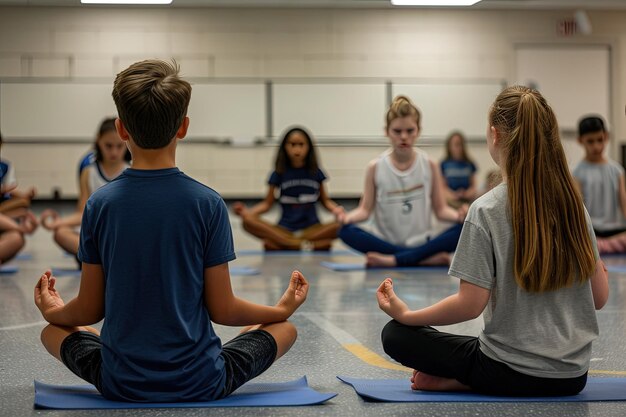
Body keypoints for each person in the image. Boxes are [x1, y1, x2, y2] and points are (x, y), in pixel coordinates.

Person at [34, 59, 309, 403]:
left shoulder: (99, 204)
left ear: (121, 130)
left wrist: (53, 310)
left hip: (121, 381)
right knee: (284, 329)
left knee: (54, 332)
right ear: (183, 127)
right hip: (201, 381)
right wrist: (279, 311)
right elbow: (223, 310)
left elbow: (89, 309)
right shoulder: (208, 203)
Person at [376, 86, 608, 397]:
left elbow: (469, 305)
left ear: (495, 135)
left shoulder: (486, 209)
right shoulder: (573, 205)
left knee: (396, 335)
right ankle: (463, 378)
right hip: (572, 377)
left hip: (505, 370)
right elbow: (599, 297)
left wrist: (407, 315)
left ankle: (462, 379)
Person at [337, 95, 466, 267]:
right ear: (386, 131)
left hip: (421, 242)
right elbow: (364, 210)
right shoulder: (375, 167)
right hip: (385, 243)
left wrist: (460, 216)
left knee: (464, 228)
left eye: (410, 131)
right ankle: (421, 258)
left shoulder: (430, 165)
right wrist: (346, 217)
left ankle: (394, 260)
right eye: (397, 131)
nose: (403, 137)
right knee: (345, 231)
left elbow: (441, 209)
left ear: (418, 130)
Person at [233, 126, 344, 251]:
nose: (297, 149)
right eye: (292, 144)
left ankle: (285, 245)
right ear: (285, 147)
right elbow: (267, 204)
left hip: (313, 229)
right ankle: (305, 245)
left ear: (309, 147)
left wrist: (339, 212)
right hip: (284, 230)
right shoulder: (278, 173)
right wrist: (247, 213)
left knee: (344, 224)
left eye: (301, 144)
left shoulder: (316, 172)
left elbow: (326, 201)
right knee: (247, 221)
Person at [39, 118, 130, 258]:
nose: (114, 152)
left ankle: (94, 257)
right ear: (98, 141)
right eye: (109, 146)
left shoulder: (130, 171)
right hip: (95, 233)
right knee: (61, 233)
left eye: (119, 146)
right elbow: (82, 212)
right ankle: (105, 257)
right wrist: (58, 222)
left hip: (120, 232)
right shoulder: (89, 172)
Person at [572, 115, 626, 253]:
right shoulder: (577, 172)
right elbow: (578, 209)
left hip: (616, 231)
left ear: (606, 137)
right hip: (592, 232)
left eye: (599, 140)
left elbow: (624, 204)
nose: (596, 146)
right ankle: (600, 246)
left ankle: (601, 247)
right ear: (580, 141)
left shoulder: (617, 170)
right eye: (590, 142)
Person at [0, 132, 37, 218]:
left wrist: (25, 194)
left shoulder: (5, 165)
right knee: (19, 211)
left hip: (2, 200)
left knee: (24, 202)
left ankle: (4, 215)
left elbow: (9, 190)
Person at [440, 131, 477, 207]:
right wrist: (453, 195)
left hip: (467, 200)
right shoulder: (444, 164)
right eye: (455, 144)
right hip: (450, 201)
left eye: (460, 144)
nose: (458, 147)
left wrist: (466, 194)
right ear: (449, 146)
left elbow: (473, 187)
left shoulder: (469, 163)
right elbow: (443, 187)